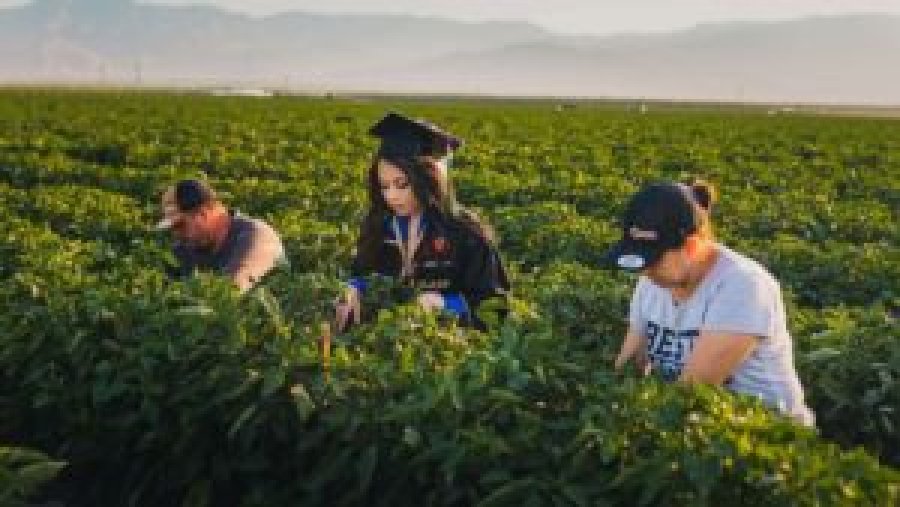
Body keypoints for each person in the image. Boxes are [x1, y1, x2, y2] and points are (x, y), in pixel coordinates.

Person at [606, 180, 815, 426]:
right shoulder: (652, 282)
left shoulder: (742, 286)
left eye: (655, 258)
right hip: (700, 426)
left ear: (693, 246)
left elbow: (691, 392)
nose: (645, 269)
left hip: (770, 439)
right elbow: (629, 366)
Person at [334, 112, 509, 331]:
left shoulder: (465, 233)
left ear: (427, 179)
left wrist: (446, 304)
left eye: (402, 184)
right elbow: (362, 273)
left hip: (448, 348)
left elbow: (496, 305)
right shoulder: (378, 225)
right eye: (384, 186)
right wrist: (354, 288)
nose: (391, 196)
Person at [157, 178, 286, 292]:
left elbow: (231, 290)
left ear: (204, 213)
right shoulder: (183, 249)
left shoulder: (257, 236)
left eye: (180, 225)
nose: (176, 234)